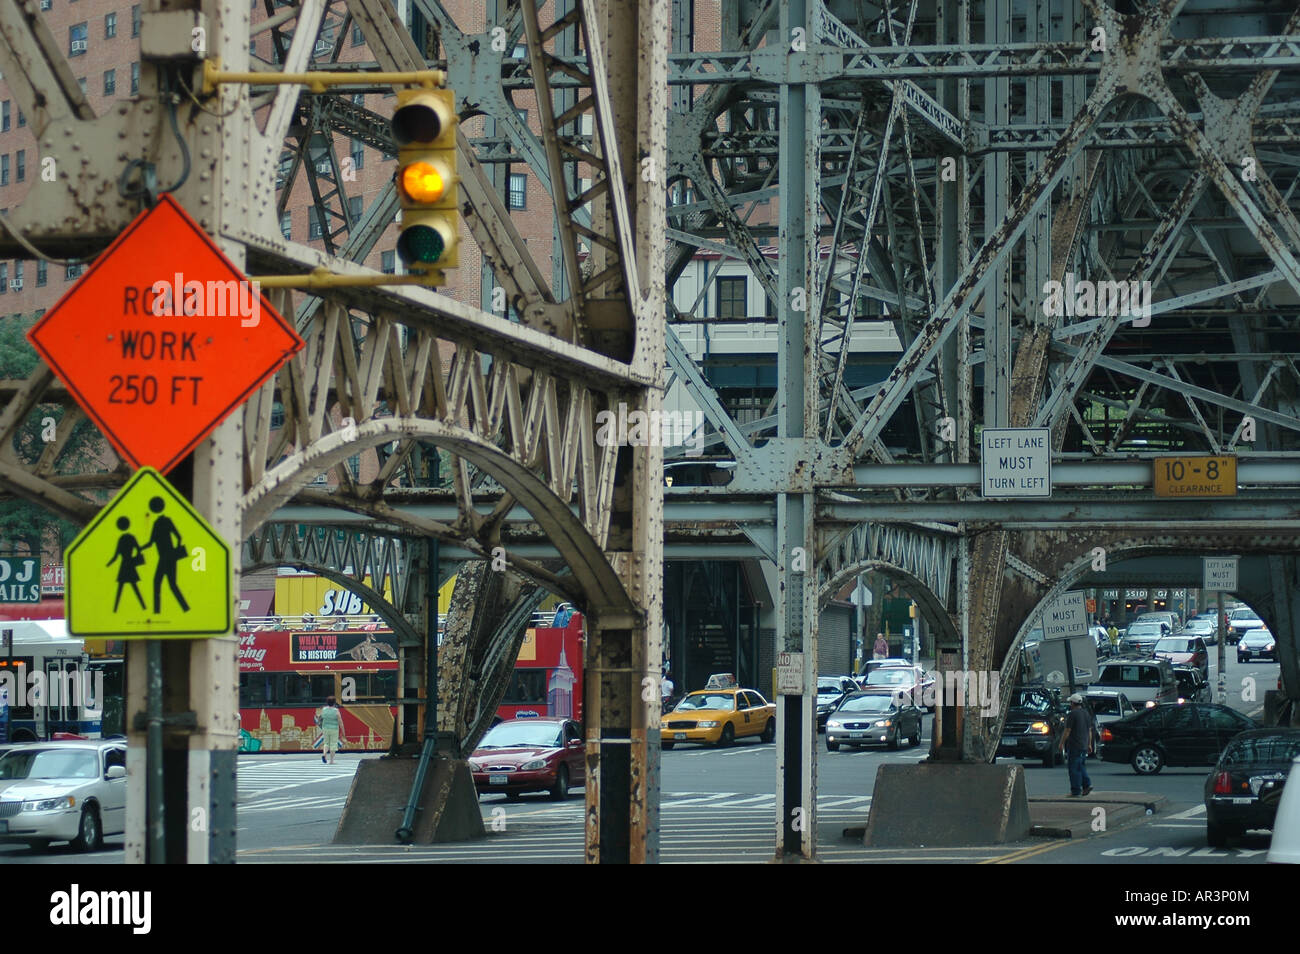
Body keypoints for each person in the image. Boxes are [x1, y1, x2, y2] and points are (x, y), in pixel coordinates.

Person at [1059, 693, 1097, 797]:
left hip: (1074, 744)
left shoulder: (1072, 714)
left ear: (1072, 703)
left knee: (1074, 768)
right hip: (1084, 744)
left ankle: (1076, 791)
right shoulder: (1086, 713)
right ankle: (1086, 785)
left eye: (1070, 702)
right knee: (1080, 766)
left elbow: (1067, 730)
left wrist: (1061, 743)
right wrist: (1089, 744)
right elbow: (1089, 730)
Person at [315, 696, 346, 764]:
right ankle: (331, 761)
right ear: (334, 703)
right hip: (334, 729)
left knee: (326, 743)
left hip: (325, 728)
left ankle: (324, 754)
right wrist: (343, 732)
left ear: (327, 702)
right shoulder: (336, 711)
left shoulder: (324, 709)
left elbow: (320, 718)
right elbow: (340, 722)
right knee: (333, 744)